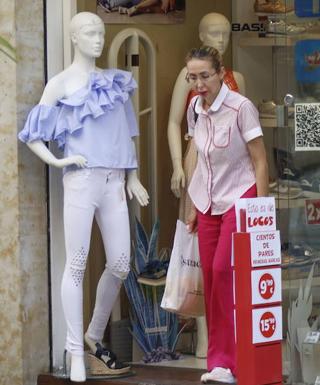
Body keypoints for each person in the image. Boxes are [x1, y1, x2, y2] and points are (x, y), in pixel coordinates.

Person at [17, 12, 149, 382]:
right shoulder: (60, 84)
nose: (97, 39)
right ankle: (76, 351)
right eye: (90, 32)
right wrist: (59, 160)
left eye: (101, 33)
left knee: (121, 262)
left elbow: (129, 132)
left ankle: (93, 333)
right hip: (80, 177)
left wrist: (132, 175)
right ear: (74, 37)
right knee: (76, 264)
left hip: (114, 179)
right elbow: (32, 135)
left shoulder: (116, 82)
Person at [183, 46, 268, 384]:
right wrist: (193, 202)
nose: (199, 83)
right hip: (207, 200)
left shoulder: (240, 108)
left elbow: (260, 161)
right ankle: (219, 363)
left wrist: (262, 210)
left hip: (240, 195)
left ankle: (234, 359)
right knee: (210, 276)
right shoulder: (194, 107)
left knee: (223, 271)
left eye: (205, 76)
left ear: (220, 73)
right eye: (193, 77)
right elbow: (197, 156)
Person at [167, 12, 245, 359]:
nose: (220, 39)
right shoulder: (189, 79)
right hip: (196, 157)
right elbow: (172, 122)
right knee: (199, 247)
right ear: (199, 34)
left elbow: (248, 127)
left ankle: (229, 335)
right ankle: (204, 333)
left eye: (226, 34)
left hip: (232, 166)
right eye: (213, 33)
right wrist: (175, 166)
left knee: (227, 256)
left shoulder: (237, 79)